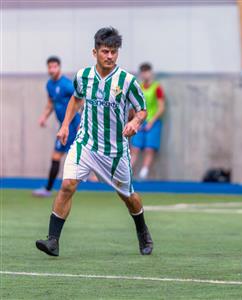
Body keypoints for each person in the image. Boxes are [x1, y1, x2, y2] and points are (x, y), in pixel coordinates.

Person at [35, 27, 153, 257]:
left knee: (128, 197)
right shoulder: (83, 76)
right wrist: (65, 125)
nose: (110, 56)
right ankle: (53, 241)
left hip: (115, 151)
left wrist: (135, 123)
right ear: (95, 52)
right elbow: (76, 99)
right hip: (85, 144)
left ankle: (142, 230)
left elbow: (142, 111)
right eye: (105, 51)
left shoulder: (127, 81)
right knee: (68, 184)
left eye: (114, 52)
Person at [32, 57, 81, 197]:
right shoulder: (49, 85)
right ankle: (48, 189)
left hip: (74, 125)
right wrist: (44, 117)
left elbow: (80, 100)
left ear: (59, 67)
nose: (52, 69)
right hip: (63, 126)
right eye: (50, 67)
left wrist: (81, 122)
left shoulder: (66, 84)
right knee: (56, 156)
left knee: (75, 156)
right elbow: (50, 103)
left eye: (54, 67)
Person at [130, 63, 165, 179]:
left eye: (147, 71)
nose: (145, 74)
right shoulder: (138, 87)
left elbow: (161, 107)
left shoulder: (157, 87)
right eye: (143, 72)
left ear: (151, 72)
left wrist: (151, 122)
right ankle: (128, 173)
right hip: (140, 121)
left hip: (153, 122)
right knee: (135, 147)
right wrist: (136, 121)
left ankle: (143, 173)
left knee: (149, 148)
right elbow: (135, 106)